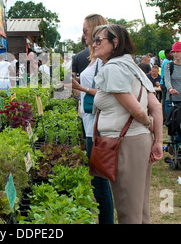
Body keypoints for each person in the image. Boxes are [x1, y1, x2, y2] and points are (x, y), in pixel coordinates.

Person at [91, 24, 163, 224]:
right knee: (139, 208)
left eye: (99, 40)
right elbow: (156, 106)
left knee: (128, 211)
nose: (93, 44)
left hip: (125, 144)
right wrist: (157, 140)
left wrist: (148, 124)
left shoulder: (114, 68)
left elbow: (138, 110)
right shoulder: (132, 66)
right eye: (93, 39)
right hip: (138, 141)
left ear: (115, 43)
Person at [71, 13, 113, 224]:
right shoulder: (93, 60)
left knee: (100, 183)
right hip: (90, 123)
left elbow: (110, 94)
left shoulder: (104, 62)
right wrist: (80, 91)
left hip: (97, 127)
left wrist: (82, 88)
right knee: (98, 182)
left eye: (86, 30)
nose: (83, 34)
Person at [160, 48, 173, 121]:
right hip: (164, 83)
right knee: (165, 101)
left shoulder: (166, 61)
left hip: (164, 82)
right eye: (171, 53)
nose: (172, 54)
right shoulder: (166, 63)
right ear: (166, 54)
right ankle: (165, 118)